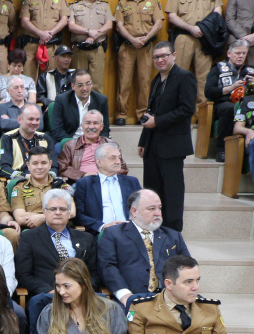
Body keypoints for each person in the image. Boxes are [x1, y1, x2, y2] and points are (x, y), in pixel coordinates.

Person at [15, 189, 98, 330]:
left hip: (82, 295)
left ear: (69, 213)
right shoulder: (29, 237)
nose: (58, 212)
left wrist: (82, 289)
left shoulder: (86, 238)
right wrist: (49, 290)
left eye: (63, 209)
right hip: (48, 296)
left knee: (104, 302)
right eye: (53, 209)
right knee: (38, 302)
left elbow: (94, 273)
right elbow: (23, 275)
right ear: (44, 212)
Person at [97, 189, 191, 309]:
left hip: (169, 299)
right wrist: (124, 294)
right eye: (151, 209)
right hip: (131, 298)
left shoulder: (173, 236)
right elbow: (107, 266)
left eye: (159, 208)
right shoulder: (114, 234)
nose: (157, 213)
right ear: (134, 211)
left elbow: (188, 266)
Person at [138, 41, 195, 232]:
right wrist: (143, 140)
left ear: (174, 55)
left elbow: (187, 110)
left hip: (173, 145)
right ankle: (155, 227)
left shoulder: (184, 77)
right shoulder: (157, 80)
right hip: (153, 142)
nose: (160, 60)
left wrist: (158, 122)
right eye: (156, 57)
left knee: (172, 191)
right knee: (153, 189)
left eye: (164, 55)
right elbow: (151, 112)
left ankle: (173, 231)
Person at [114, 0, 163, 125]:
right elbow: (119, 25)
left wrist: (145, 39)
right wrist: (132, 39)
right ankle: (121, 114)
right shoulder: (123, 2)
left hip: (146, 47)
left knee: (144, 82)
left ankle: (142, 114)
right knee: (124, 82)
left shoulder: (153, 2)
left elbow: (158, 23)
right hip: (127, 46)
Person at [74, 143, 141, 234]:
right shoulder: (85, 184)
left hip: (130, 231)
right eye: (113, 158)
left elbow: (142, 208)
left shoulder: (132, 182)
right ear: (99, 162)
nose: (118, 161)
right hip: (102, 233)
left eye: (119, 158)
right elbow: (78, 215)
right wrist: (102, 226)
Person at [166, 0, 222, 104]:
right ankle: (176, 108)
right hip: (184, 35)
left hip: (205, 38)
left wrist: (206, 28)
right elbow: (172, 16)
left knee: (204, 77)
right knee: (178, 74)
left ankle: (202, 110)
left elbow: (217, 13)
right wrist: (190, 28)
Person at [205, 40, 252, 162]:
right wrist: (231, 88)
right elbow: (208, 91)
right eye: (237, 53)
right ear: (229, 54)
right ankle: (222, 150)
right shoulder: (218, 68)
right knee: (229, 108)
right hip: (223, 104)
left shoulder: (251, 71)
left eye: (244, 53)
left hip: (247, 105)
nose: (241, 56)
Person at [9, 146, 72, 229]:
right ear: (28, 165)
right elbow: (20, 217)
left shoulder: (60, 185)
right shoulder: (19, 187)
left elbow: (72, 212)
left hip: (58, 229)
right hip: (32, 231)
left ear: (50, 164)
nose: (39, 167)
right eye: (35, 163)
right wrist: (55, 216)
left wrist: (43, 217)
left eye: (43, 163)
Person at [58, 110, 127, 181]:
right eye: (88, 123)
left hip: (107, 181)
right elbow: (63, 168)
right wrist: (83, 175)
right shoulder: (70, 145)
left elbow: (123, 168)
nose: (91, 127)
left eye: (95, 123)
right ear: (82, 126)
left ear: (102, 126)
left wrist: (104, 175)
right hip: (81, 182)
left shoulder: (111, 145)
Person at [49, 69, 110, 145]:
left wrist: (97, 144)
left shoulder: (101, 100)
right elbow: (57, 129)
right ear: (73, 86)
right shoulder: (62, 100)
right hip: (70, 142)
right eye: (80, 85)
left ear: (91, 84)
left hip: (94, 143)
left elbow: (105, 129)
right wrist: (74, 144)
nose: (85, 88)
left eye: (88, 84)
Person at [0, 104, 59, 179]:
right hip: (20, 180)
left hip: (45, 180)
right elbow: (3, 168)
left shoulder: (45, 138)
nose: (34, 123)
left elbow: (54, 166)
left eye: (37, 119)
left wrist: (47, 177)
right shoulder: (8, 138)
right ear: (19, 120)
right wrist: (26, 176)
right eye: (31, 119)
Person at [68, 0, 114, 90]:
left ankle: (95, 100)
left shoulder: (104, 5)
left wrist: (95, 34)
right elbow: (71, 26)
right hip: (79, 50)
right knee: (78, 84)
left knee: (96, 85)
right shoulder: (74, 6)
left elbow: (109, 25)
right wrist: (88, 31)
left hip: (97, 49)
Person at [19, 0, 69, 79]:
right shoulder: (28, 0)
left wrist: (49, 34)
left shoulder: (60, 1)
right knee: (27, 78)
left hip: (51, 46)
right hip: (31, 45)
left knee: (50, 78)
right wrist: (40, 33)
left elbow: (64, 20)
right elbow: (24, 21)